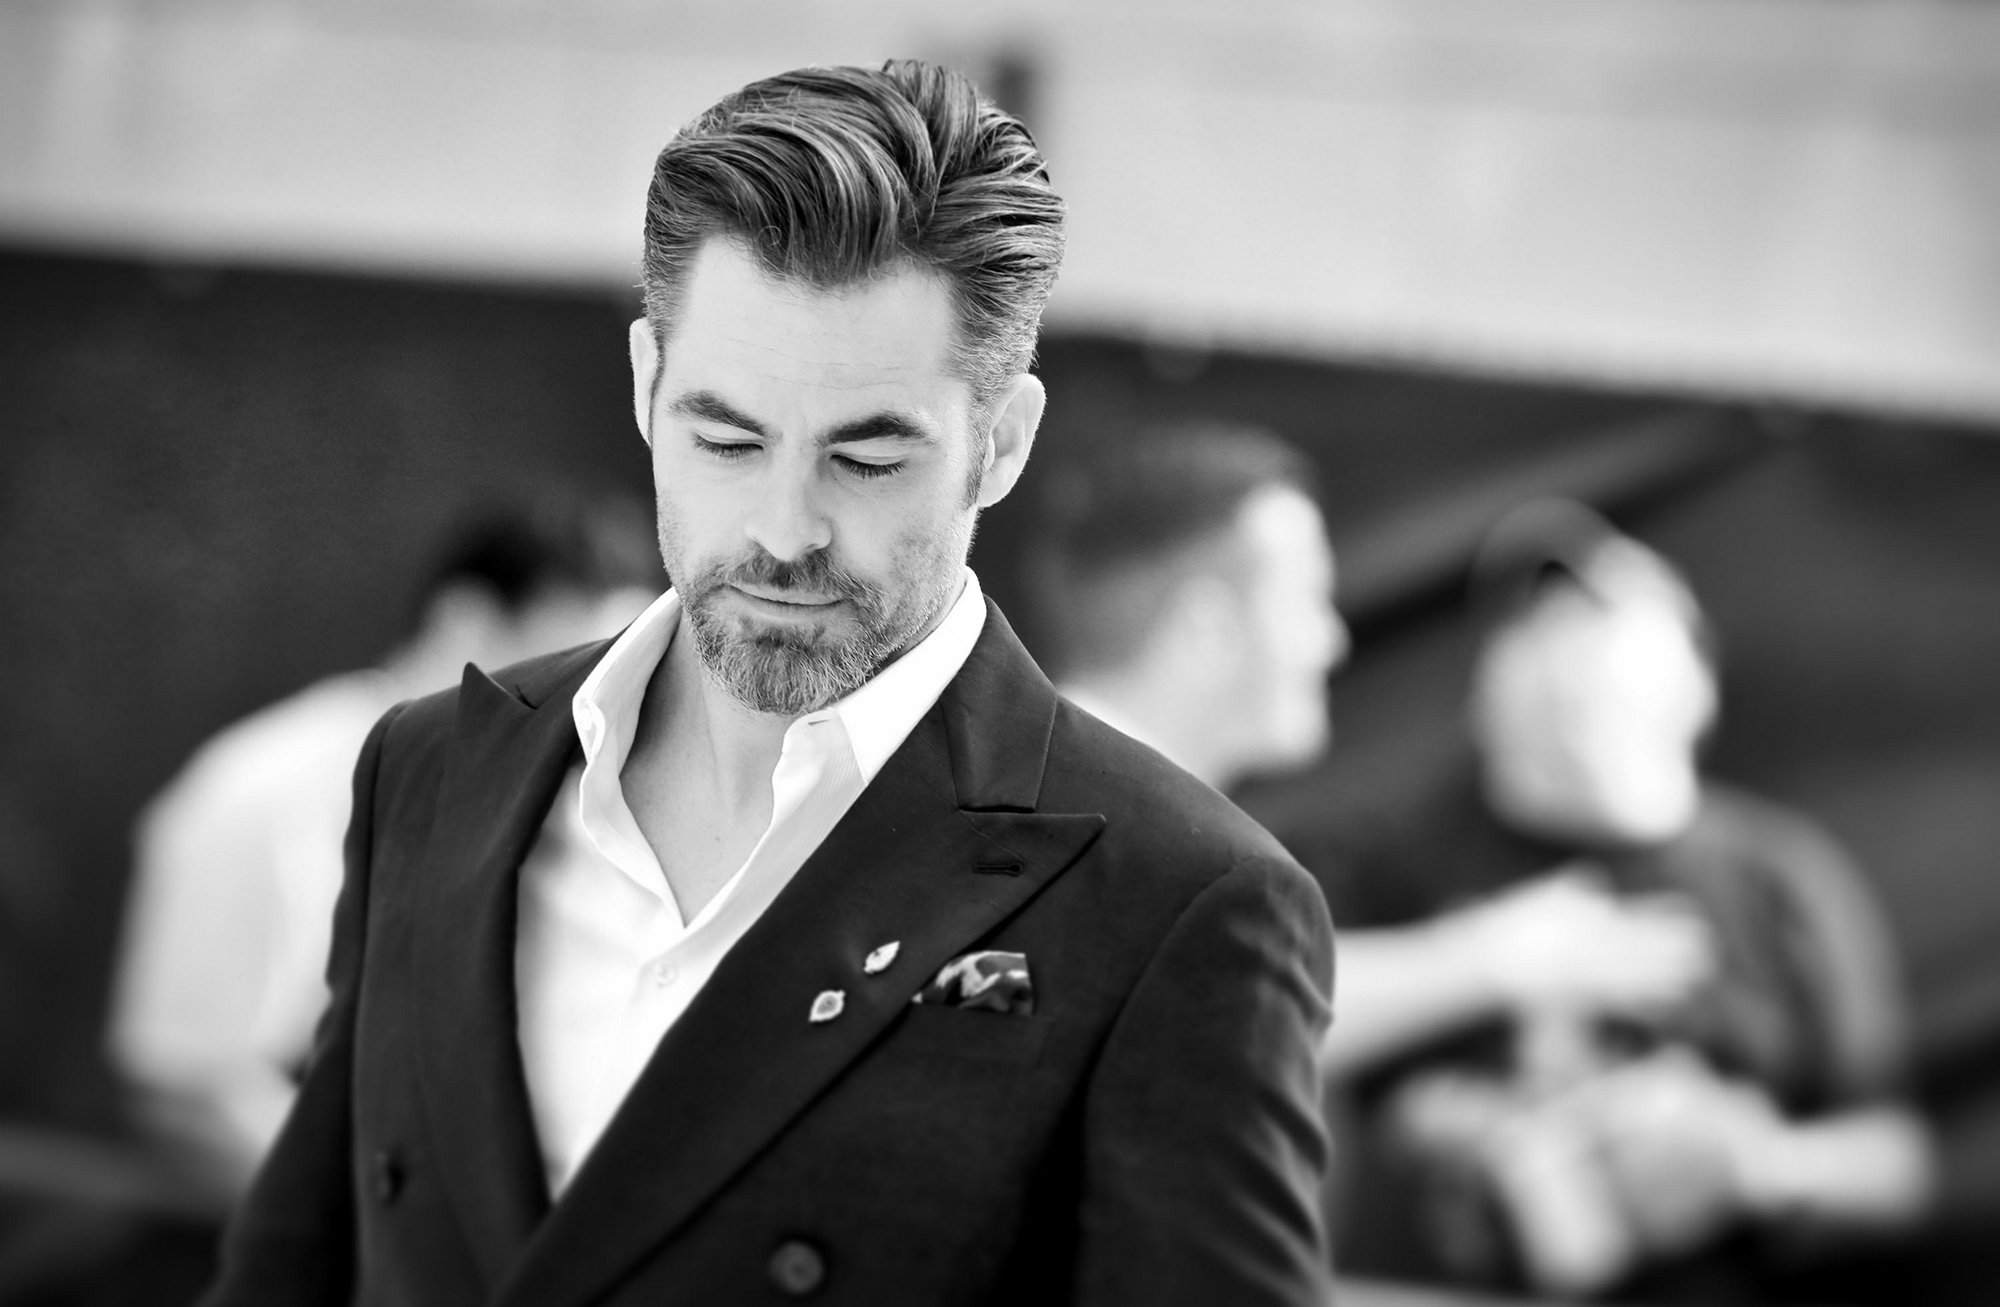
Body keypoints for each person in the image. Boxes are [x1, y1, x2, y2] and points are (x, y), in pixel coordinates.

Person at [202, 61, 1336, 1307]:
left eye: (867, 457)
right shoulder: (430, 768)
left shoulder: (1183, 900)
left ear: (1000, 443)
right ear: (645, 385)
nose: (784, 529)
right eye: (727, 439)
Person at [1317, 501, 1933, 1303]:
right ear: (1482, 690)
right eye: (1529, 629)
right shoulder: (1390, 860)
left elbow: (1900, 1165)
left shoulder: (1778, 875)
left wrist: (1761, 1164)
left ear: (1693, 678)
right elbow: (1261, 1020)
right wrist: (1484, 964)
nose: (1564, 656)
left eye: (1600, 619)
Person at [107, 502, 656, 1205]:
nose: (592, 713)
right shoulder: (269, 792)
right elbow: (181, 1090)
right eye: (573, 668)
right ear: (465, 621)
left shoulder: (560, 817)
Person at [1022, 420, 1350, 795]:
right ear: (1207, 632)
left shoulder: (1032, 790)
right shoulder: (1098, 814)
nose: (1333, 644)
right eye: (1308, 600)